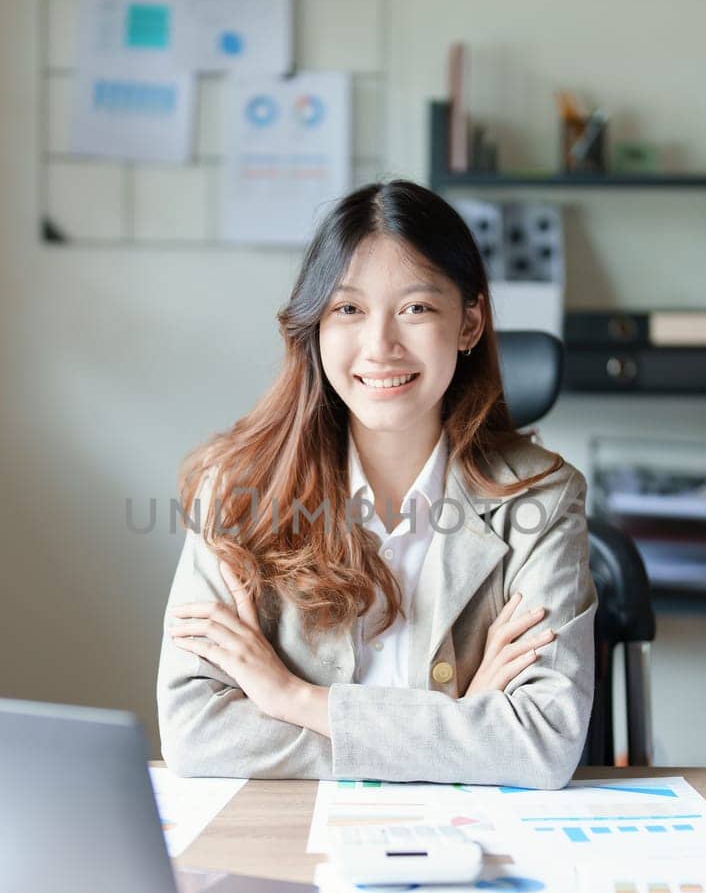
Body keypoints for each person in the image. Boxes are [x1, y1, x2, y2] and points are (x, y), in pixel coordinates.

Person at [156, 179, 596, 790]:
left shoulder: (541, 500)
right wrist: (461, 731)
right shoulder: (234, 491)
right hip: (291, 843)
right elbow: (195, 733)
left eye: (416, 308)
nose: (381, 346)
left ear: (469, 322)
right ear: (315, 326)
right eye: (348, 309)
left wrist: (292, 698)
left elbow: (543, 742)